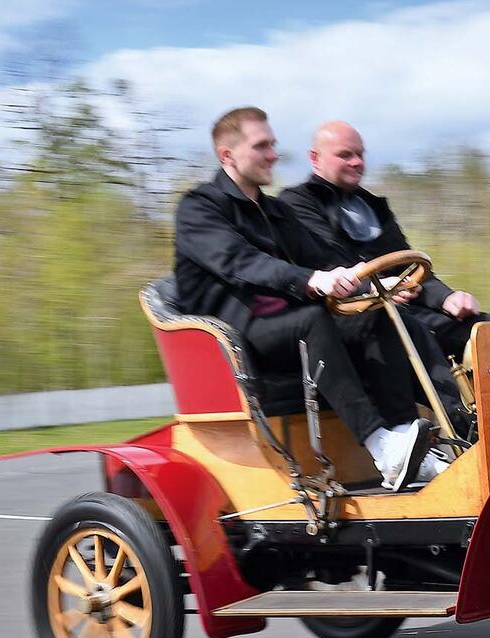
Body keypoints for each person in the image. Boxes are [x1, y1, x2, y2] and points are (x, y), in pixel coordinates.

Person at [174, 107, 445, 490]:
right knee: (312, 322)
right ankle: (382, 449)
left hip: (287, 324)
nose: (273, 154)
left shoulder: (276, 212)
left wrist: (374, 286)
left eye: (273, 145)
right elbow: (242, 262)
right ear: (227, 155)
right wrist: (315, 280)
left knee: (374, 316)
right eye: (262, 146)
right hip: (238, 336)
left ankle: (405, 442)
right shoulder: (199, 209)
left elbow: (324, 260)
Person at [280, 121, 490, 362]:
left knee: (486, 329)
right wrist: (379, 286)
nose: (357, 162)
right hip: (347, 315)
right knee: (415, 330)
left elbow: (409, 266)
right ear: (315, 158)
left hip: (402, 308)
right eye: (345, 155)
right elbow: (328, 266)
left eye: (360, 154)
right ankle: (452, 401)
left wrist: (448, 298)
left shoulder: (373, 207)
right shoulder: (295, 204)